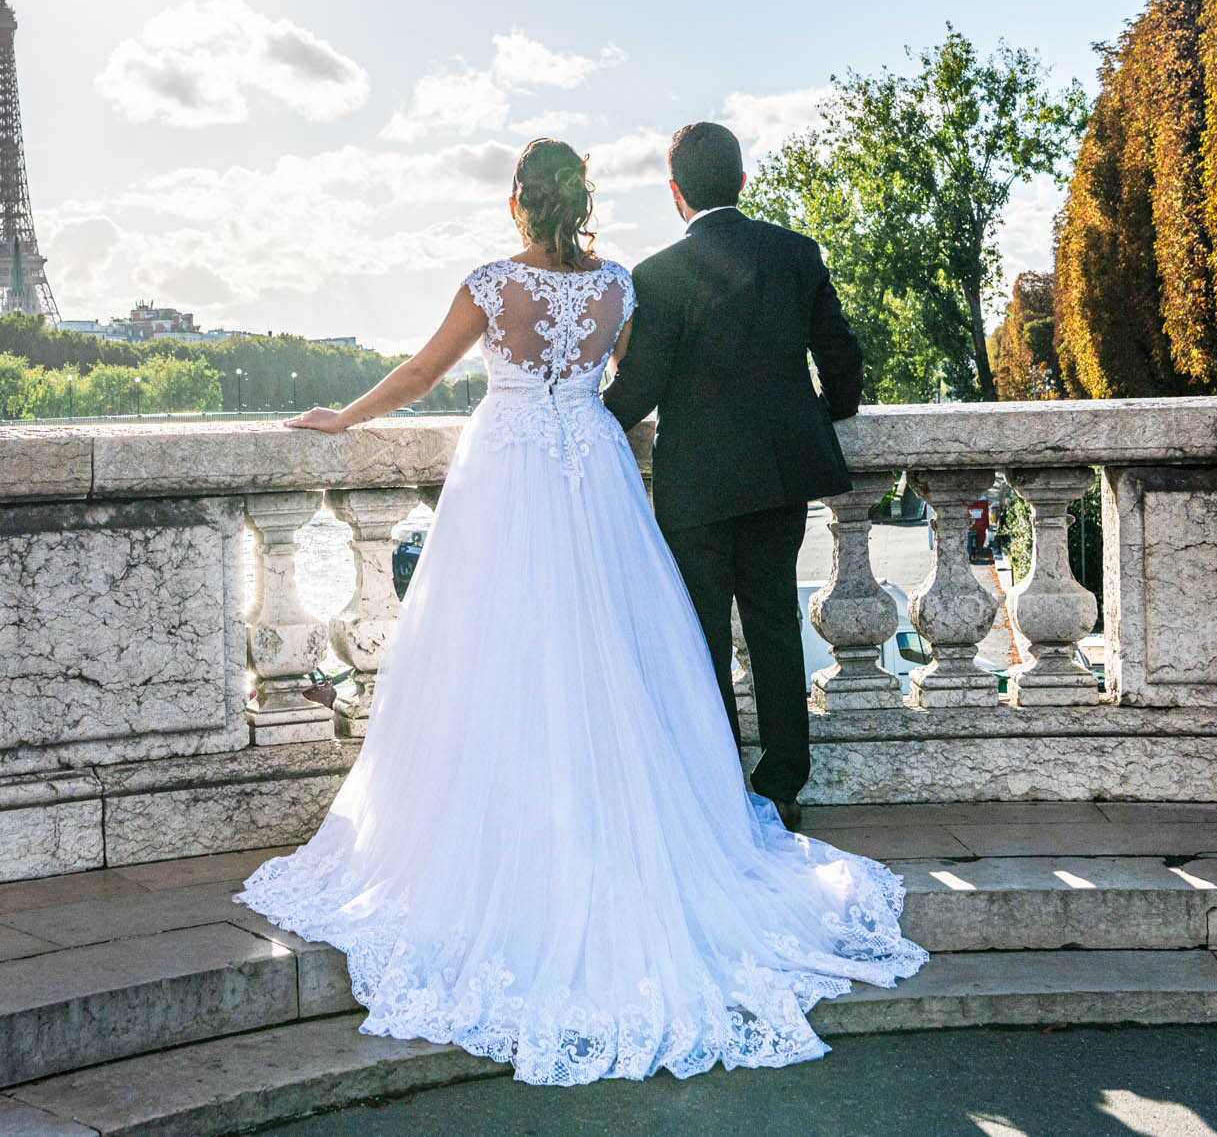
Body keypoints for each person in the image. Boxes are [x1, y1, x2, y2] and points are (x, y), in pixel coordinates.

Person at [236, 138, 923, 1086]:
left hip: (509, 471)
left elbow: (421, 376)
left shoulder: (491, 283)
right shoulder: (618, 289)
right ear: (584, 200)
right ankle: (716, 797)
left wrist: (342, 418)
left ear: (520, 202)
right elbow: (633, 390)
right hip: (592, 465)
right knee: (623, 647)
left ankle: (522, 820)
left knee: (500, 648)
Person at [602, 122, 864, 830]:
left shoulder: (656, 275)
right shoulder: (795, 253)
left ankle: (719, 784)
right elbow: (843, 358)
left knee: (703, 639)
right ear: (743, 181)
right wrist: (827, 412)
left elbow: (639, 394)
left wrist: (580, 413)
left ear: (675, 193)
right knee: (775, 625)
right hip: (780, 475)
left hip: (696, 487)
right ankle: (782, 784)